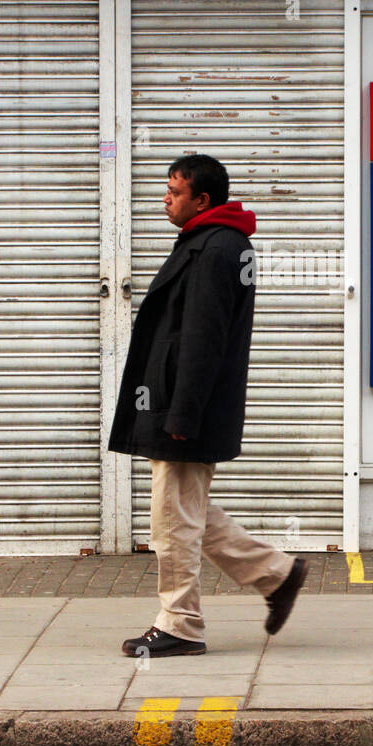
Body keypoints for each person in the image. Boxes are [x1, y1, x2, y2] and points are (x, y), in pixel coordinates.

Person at [108, 154, 308, 657]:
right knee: (184, 509)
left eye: (174, 192)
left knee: (172, 519)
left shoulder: (216, 249)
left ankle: (180, 624)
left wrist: (183, 415)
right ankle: (276, 574)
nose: (165, 200)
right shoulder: (210, 242)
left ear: (202, 199)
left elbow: (203, 339)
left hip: (183, 406)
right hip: (175, 401)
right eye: (167, 190)